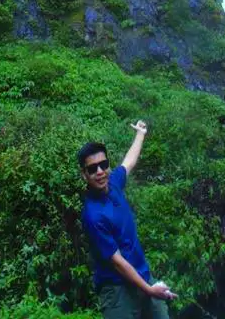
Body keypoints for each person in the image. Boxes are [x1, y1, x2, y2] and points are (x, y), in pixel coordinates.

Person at [79, 121, 177, 319]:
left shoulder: (113, 183)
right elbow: (117, 263)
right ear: (84, 175)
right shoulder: (93, 215)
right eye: (92, 169)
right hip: (117, 290)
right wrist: (150, 291)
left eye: (103, 165)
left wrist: (140, 134)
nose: (99, 171)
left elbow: (129, 162)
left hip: (142, 275)